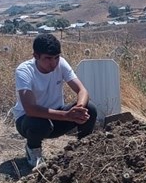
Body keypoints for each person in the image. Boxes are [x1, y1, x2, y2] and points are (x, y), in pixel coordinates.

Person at [11, 32, 97, 169]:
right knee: (38, 123)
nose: (53, 63)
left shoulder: (61, 64)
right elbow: (30, 109)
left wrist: (78, 109)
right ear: (36, 56)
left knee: (90, 109)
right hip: (29, 122)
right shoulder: (24, 71)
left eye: (56, 57)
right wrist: (67, 116)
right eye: (48, 58)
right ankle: (33, 151)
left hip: (57, 118)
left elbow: (83, 91)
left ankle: (83, 148)